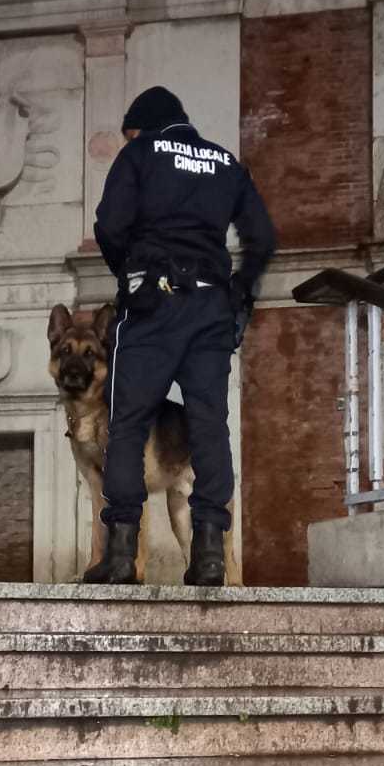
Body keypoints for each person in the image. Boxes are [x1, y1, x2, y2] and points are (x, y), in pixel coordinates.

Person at [87, 85, 276, 587]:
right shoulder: (225, 162)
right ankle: (209, 555)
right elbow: (262, 237)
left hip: (151, 303)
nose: (129, 140)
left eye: (130, 133)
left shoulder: (140, 154)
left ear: (142, 127)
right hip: (211, 306)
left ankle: (121, 556)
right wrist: (241, 296)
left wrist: (129, 273)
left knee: (127, 423)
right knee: (209, 425)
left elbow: (109, 224)